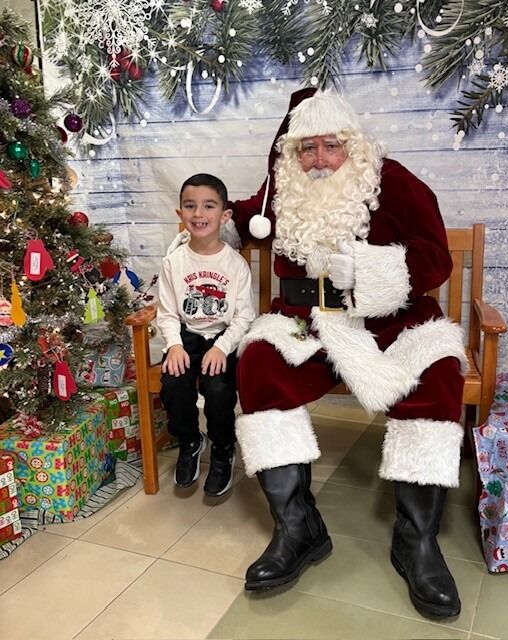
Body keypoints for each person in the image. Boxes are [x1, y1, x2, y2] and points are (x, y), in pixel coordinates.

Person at [229, 89, 467, 619]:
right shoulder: (283, 188)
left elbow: (434, 256)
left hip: (389, 320)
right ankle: (298, 529)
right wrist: (217, 218)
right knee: (260, 363)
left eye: (329, 147)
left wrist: (370, 272)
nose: (317, 159)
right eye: (306, 148)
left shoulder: (394, 181)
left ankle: (417, 541)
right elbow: (249, 216)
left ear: (352, 147)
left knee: (436, 371)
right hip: (307, 322)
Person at [157, 173, 255, 497]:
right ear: (180, 214)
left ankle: (223, 446)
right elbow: (168, 312)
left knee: (220, 389)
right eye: (190, 206)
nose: (199, 214)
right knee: (173, 382)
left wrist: (223, 347)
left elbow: (244, 316)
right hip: (185, 336)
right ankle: (189, 440)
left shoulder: (236, 265)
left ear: (224, 215)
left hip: (222, 338)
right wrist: (173, 345)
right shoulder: (173, 263)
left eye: (209, 206)